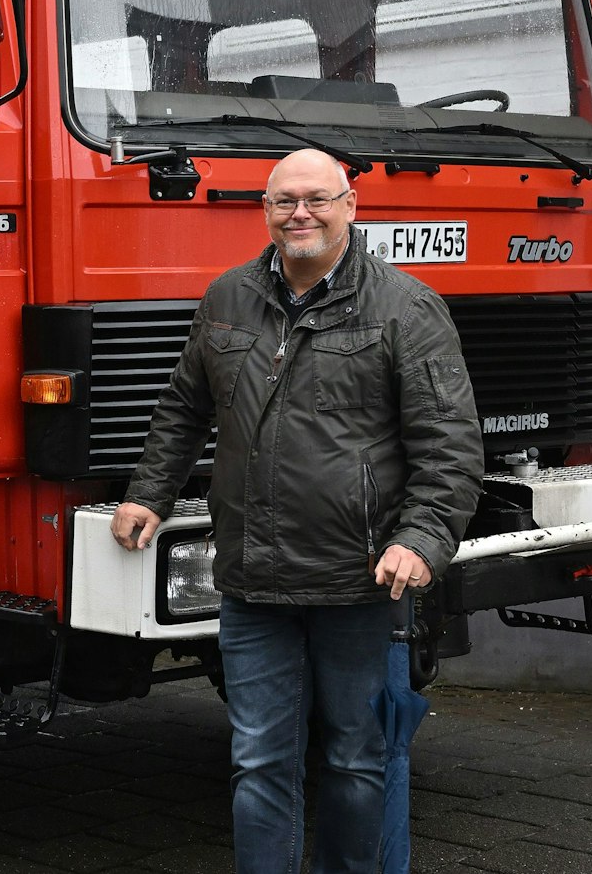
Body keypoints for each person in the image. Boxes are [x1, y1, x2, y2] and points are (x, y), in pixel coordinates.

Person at [110, 148, 482, 874]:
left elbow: (450, 446)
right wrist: (147, 492)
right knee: (258, 762)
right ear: (266, 210)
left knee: (354, 761)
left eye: (316, 198)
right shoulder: (226, 298)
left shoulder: (406, 307)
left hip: (360, 585)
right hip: (253, 583)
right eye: (284, 200)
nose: (299, 213)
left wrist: (421, 539)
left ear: (351, 206)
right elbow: (185, 407)